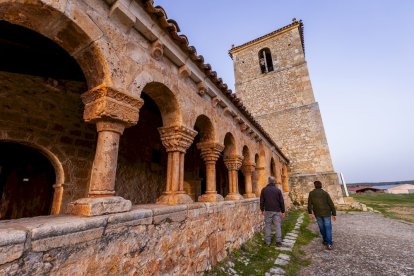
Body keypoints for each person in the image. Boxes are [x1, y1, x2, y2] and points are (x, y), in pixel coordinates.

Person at [308, 180, 337, 250]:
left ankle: (325, 240)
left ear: (314, 186)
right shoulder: (325, 193)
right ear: (321, 185)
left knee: (321, 227)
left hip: (317, 213)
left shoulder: (311, 193)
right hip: (326, 213)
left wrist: (310, 213)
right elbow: (331, 204)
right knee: (328, 228)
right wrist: (334, 214)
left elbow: (309, 204)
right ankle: (329, 243)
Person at [260, 176, 285, 246]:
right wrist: (283, 211)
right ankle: (278, 242)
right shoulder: (278, 190)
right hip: (277, 210)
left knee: (268, 226)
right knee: (278, 226)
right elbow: (281, 201)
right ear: (274, 182)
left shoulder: (264, 190)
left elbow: (262, 201)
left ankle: (268, 242)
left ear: (268, 181)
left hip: (268, 210)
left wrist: (262, 209)